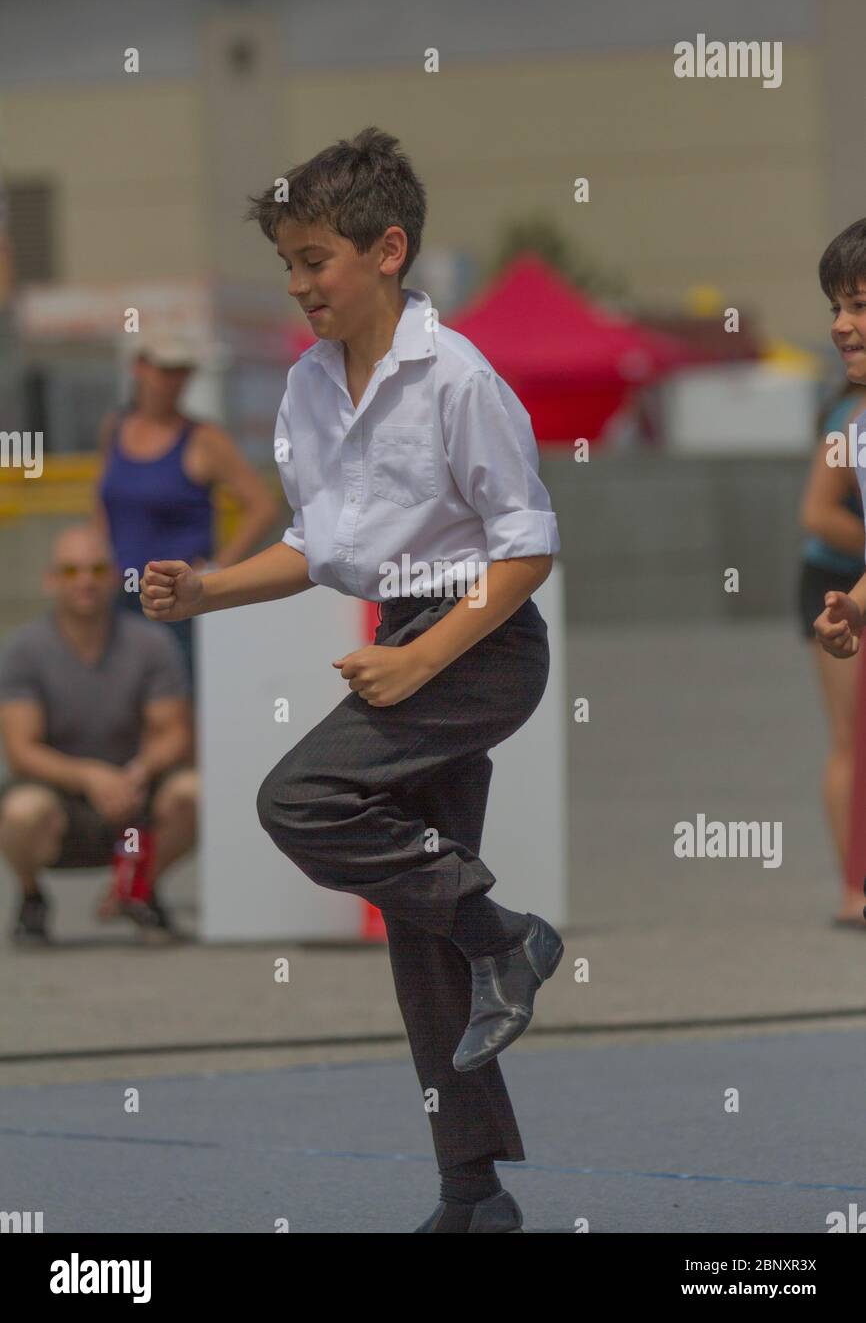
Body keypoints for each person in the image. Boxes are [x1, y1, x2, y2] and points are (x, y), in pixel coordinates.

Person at [140, 126, 563, 1234]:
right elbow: (320, 549)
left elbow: (525, 550)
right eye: (285, 262)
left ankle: (499, 929)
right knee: (418, 945)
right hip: (409, 640)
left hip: (478, 647)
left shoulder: (458, 377)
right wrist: (210, 590)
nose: (297, 285)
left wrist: (419, 657)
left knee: (299, 798)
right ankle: (473, 1193)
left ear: (387, 249)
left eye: (313, 259)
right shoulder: (308, 388)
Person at [0, 523, 197, 943]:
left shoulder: (152, 644)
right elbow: (21, 750)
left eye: (95, 569)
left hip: (136, 797)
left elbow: (175, 734)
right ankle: (33, 897)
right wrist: (91, 777)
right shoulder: (23, 650)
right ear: (51, 580)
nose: (85, 581)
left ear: (113, 576)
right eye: (71, 571)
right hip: (59, 802)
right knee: (19, 811)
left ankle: (136, 889)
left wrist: (137, 773)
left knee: (194, 793)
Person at [92, 333, 279, 693]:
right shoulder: (115, 428)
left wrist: (213, 571)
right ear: (139, 368)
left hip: (174, 602)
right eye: (165, 369)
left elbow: (262, 506)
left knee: (182, 709)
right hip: (120, 596)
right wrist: (100, 558)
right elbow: (103, 499)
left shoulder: (204, 438)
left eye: (182, 371)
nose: (174, 381)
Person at [811, 218, 866, 929]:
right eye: (836, 307)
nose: (842, 324)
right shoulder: (853, 428)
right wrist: (851, 605)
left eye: (860, 305)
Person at [798, 380, 866, 924]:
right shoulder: (851, 418)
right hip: (838, 583)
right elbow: (818, 513)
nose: (845, 324)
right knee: (851, 737)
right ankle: (854, 890)